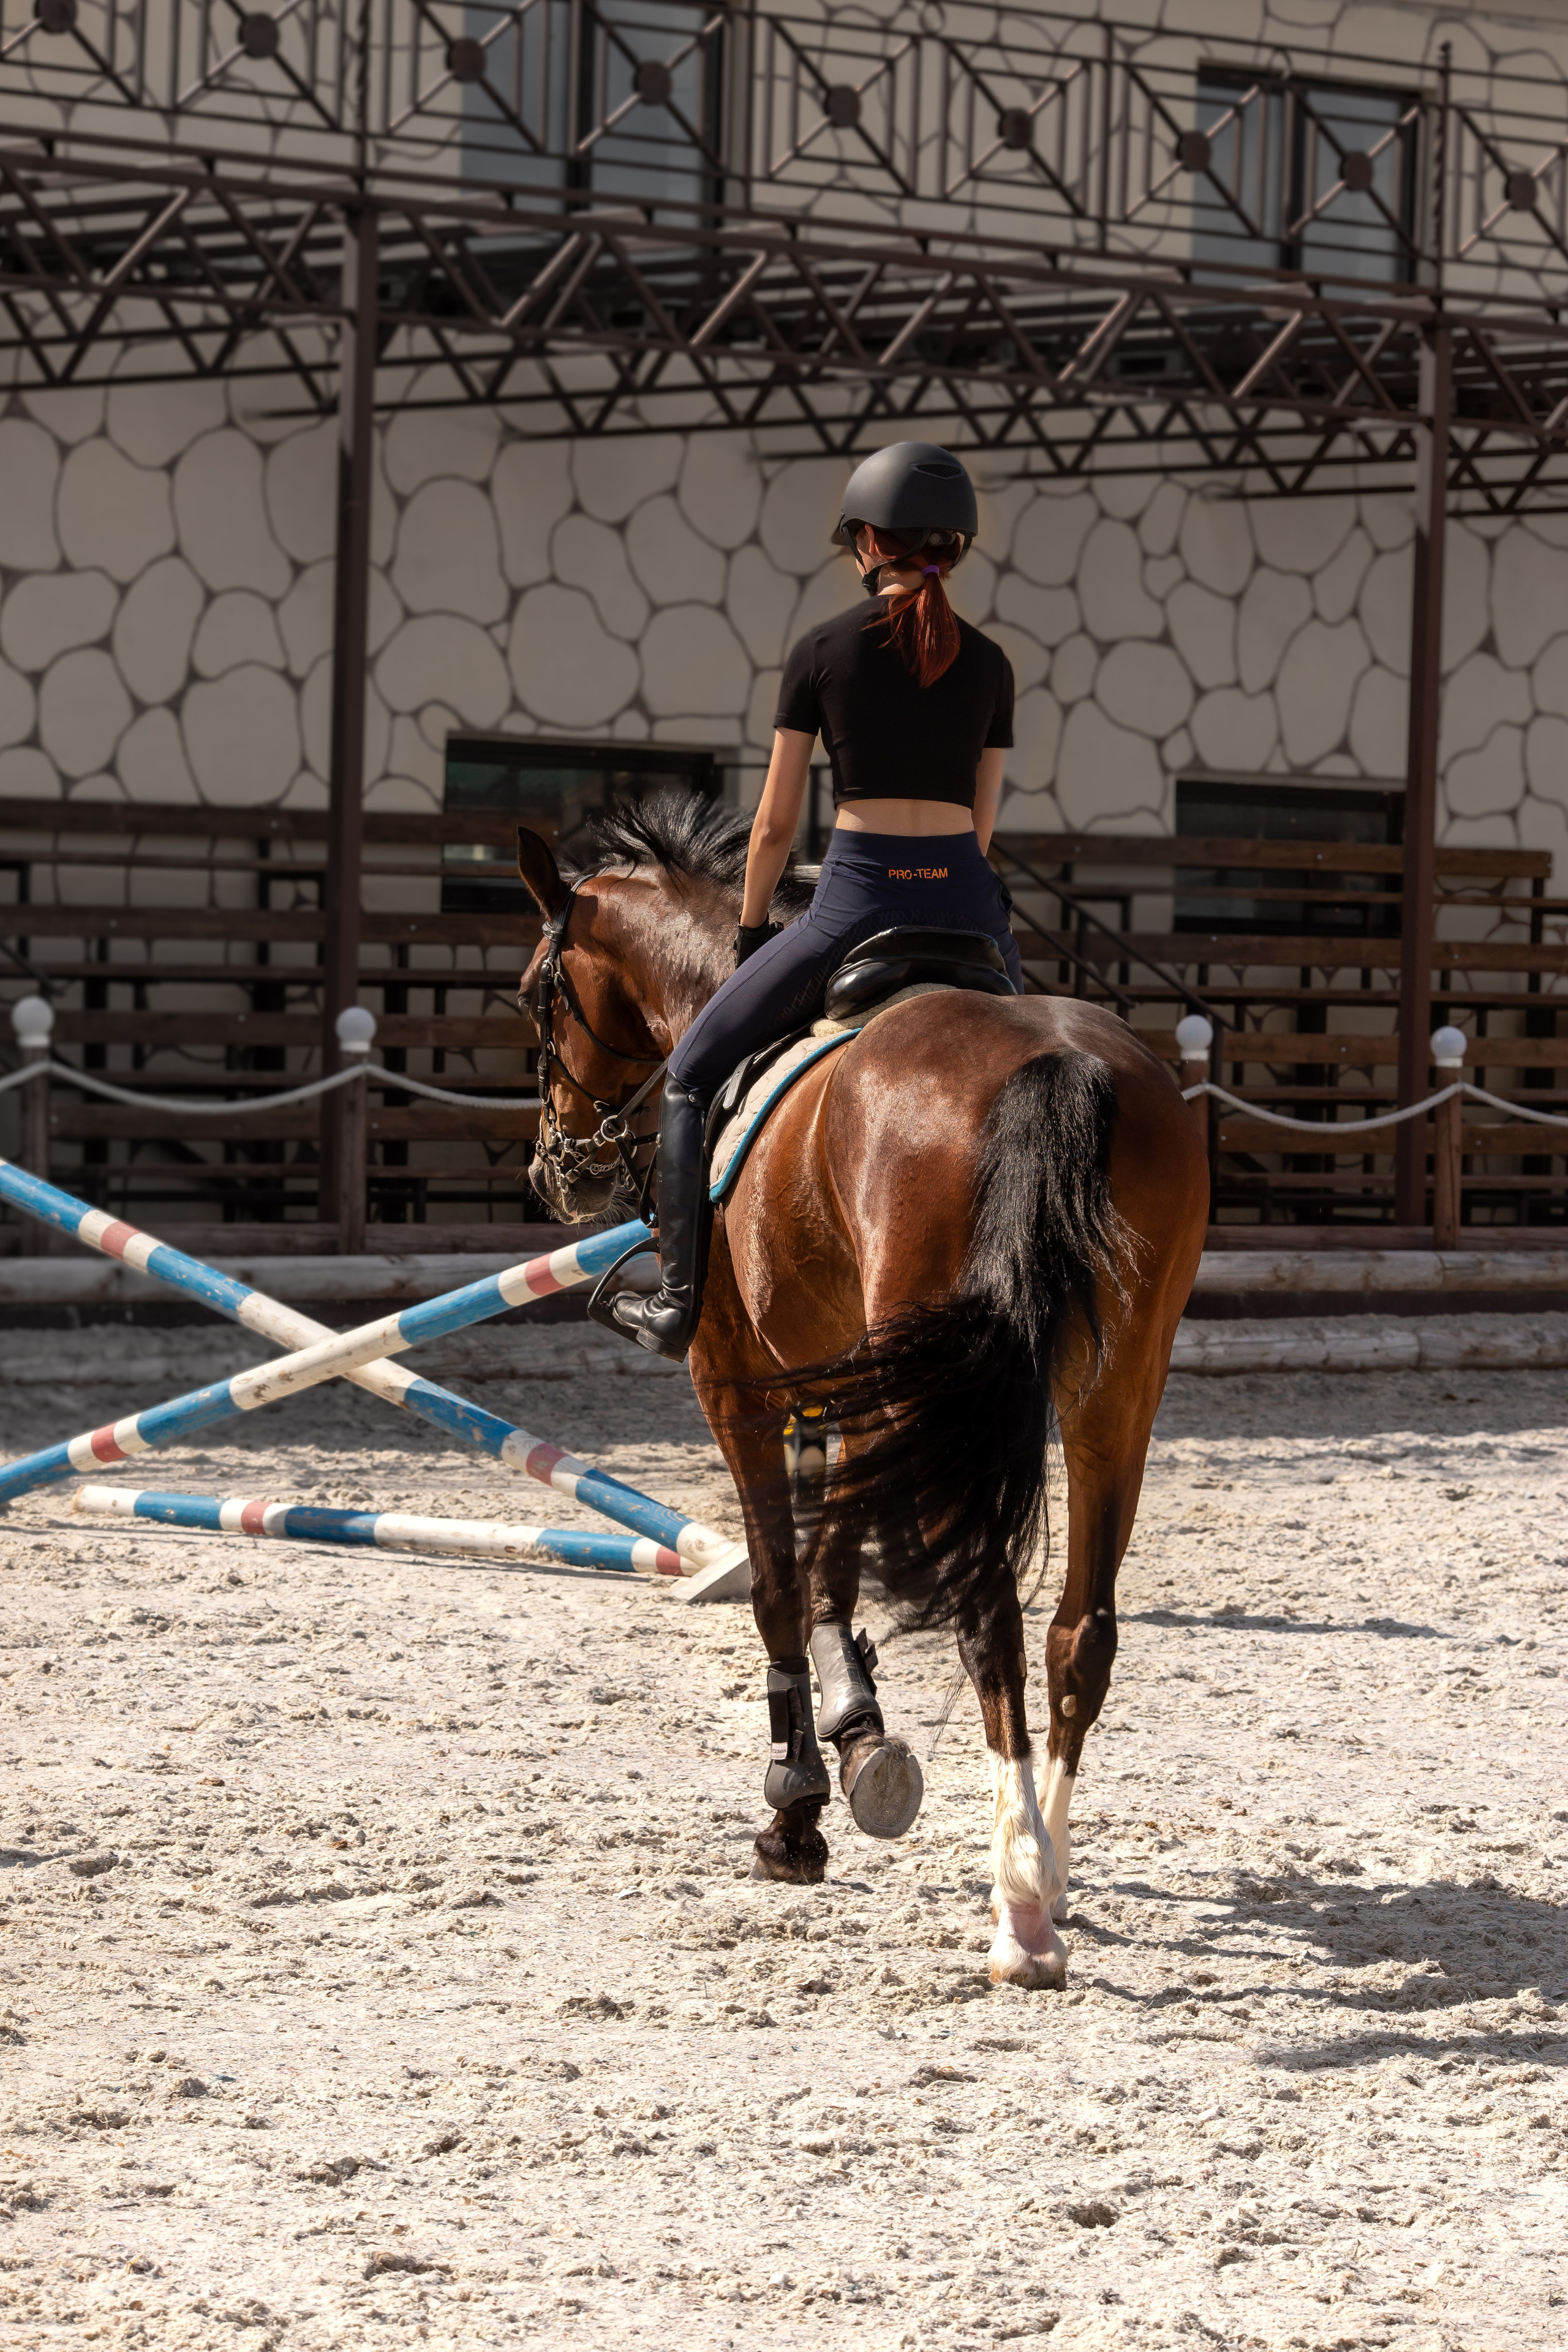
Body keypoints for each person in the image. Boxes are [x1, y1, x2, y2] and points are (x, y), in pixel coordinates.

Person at [599, 440, 1022, 1362]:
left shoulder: (824, 650)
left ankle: (675, 1303)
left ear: (868, 541)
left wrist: (753, 931)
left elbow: (774, 827)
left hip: (858, 907)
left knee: (691, 1077)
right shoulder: (991, 664)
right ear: (954, 546)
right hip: (971, 911)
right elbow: (983, 823)